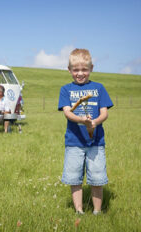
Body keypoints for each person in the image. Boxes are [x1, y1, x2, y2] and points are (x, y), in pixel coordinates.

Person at [58, 49, 113, 215]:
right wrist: (82, 119)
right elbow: (68, 112)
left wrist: (94, 122)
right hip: (74, 142)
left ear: (91, 68)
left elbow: (105, 112)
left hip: (96, 143)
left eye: (84, 69)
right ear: (69, 70)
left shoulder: (99, 88)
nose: (80, 73)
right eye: (75, 70)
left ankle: (97, 211)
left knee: (97, 178)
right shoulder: (66, 89)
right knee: (74, 177)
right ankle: (79, 210)